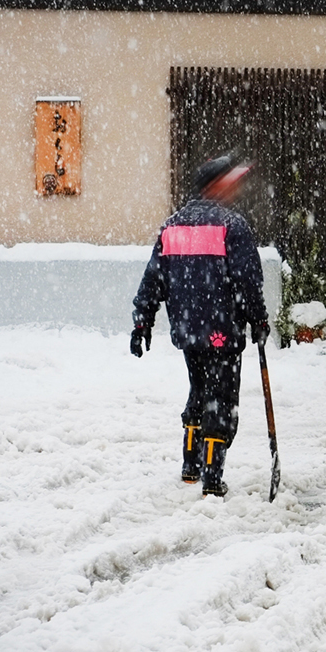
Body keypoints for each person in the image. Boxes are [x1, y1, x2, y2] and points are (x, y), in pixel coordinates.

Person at [131, 156, 270, 497]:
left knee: (199, 390)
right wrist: (259, 318)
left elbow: (154, 278)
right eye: (229, 182)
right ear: (216, 185)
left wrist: (142, 322)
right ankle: (212, 476)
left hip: (187, 330)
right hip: (223, 330)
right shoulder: (231, 226)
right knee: (221, 400)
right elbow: (248, 280)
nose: (235, 189)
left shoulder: (172, 226)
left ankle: (190, 465)